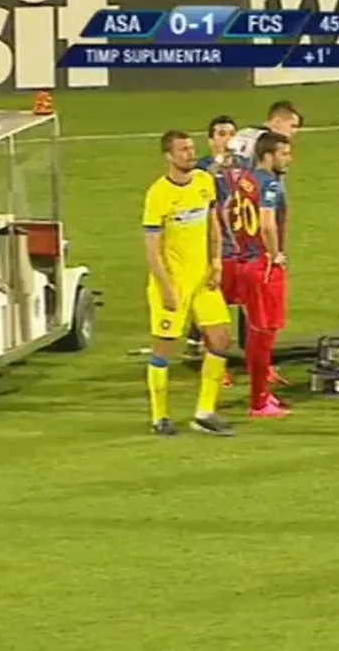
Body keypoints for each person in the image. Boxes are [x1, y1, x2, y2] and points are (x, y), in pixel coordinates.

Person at [142, 130, 234, 437]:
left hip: (203, 279)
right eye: (183, 149)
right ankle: (160, 417)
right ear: (169, 155)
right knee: (164, 350)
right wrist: (166, 288)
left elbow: (213, 225)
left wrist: (216, 262)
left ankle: (204, 412)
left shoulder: (204, 182)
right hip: (172, 284)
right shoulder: (158, 194)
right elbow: (152, 248)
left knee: (221, 339)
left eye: (191, 148)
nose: (190, 153)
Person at [238, 131, 294, 419]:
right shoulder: (270, 184)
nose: (289, 159)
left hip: (244, 261)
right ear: (268, 156)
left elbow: (228, 212)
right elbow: (267, 225)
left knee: (254, 331)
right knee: (264, 334)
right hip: (263, 266)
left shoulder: (245, 179)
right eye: (284, 154)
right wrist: (275, 254)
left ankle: (260, 393)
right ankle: (259, 402)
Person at [189, 115, 241, 384]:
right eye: (221, 134)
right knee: (213, 304)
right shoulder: (202, 169)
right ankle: (212, 361)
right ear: (210, 140)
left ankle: (251, 360)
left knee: (247, 304)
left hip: (242, 245)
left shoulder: (244, 167)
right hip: (214, 246)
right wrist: (218, 164)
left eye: (231, 133)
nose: (227, 139)